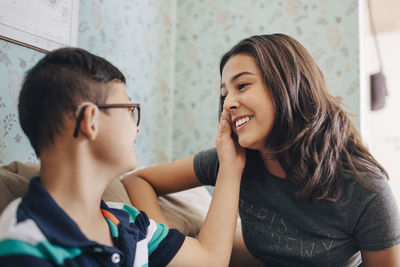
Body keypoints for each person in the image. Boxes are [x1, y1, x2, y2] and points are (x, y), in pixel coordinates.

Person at [122, 34, 400, 266]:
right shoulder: (229, 160)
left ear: (289, 86)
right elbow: (138, 179)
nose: (228, 103)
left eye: (242, 85)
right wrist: (169, 245)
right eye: (224, 94)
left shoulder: (365, 189)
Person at [0, 47, 245, 266]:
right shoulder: (24, 243)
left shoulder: (128, 221)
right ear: (90, 121)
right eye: (129, 110)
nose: (137, 127)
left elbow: (210, 259)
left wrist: (230, 166)